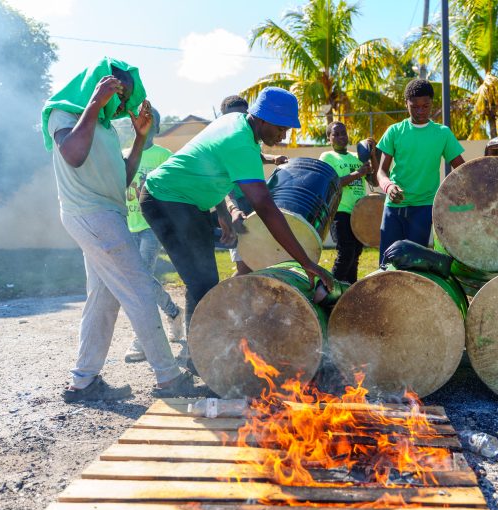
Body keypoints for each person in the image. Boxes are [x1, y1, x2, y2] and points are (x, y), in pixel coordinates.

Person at [41, 57, 203, 402]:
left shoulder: (104, 128)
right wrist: (94, 104)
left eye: (125, 95)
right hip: (91, 214)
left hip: (107, 214)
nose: (120, 102)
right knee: (140, 287)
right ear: (99, 84)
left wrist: (141, 138)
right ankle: (168, 378)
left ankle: (82, 382)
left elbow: (122, 180)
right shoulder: (64, 114)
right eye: (118, 92)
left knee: (104, 297)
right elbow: (72, 154)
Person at [140, 86, 334, 370]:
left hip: (186, 201)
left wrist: (222, 210)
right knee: (203, 282)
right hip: (166, 200)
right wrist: (306, 262)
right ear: (263, 119)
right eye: (281, 128)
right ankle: (199, 359)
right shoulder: (240, 140)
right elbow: (266, 207)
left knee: (202, 280)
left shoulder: (240, 128)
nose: (284, 135)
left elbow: (208, 167)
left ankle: (197, 357)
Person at [375, 79, 465, 259]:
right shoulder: (394, 131)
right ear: (406, 104)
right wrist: (388, 187)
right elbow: (381, 171)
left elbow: (462, 170)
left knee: (414, 263)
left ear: (432, 103)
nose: (420, 111)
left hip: (424, 207)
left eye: (426, 106)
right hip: (394, 206)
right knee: (387, 263)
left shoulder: (442, 133)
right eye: (414, 106)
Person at [123, 107, 185, 363]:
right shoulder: (124, 154)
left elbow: (172, 191)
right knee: (139, 280)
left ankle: (143, 338)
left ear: (157, 127)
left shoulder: (164, 156)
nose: (145, 124)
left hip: (152, 227)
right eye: (140, 120)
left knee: (140, 281)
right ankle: (172, 312)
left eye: (151, 121)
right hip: (127, 225)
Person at [219, 94, 288, 276]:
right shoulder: (226, 140)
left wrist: (273, 159)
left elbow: (254, 156)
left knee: (259, 261)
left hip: (251, 203)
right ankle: (223, 298)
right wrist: (232, 209)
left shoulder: (249, 137)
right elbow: (223, 188)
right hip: (235, 207)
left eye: (243, 115)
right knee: (244, 266)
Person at [319, 121, 378, 283]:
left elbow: (374, 182)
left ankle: (349, 290)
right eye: (335, 134)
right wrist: (358, 174)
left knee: (356, 254)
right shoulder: (328, 156)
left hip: (359, 213)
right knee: (346, 252)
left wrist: (373, 155)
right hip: (340, 211)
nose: (341, 137)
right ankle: (328, 289)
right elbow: (333, 183)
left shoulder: (358, 156)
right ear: (328, 138)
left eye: (343, 133)